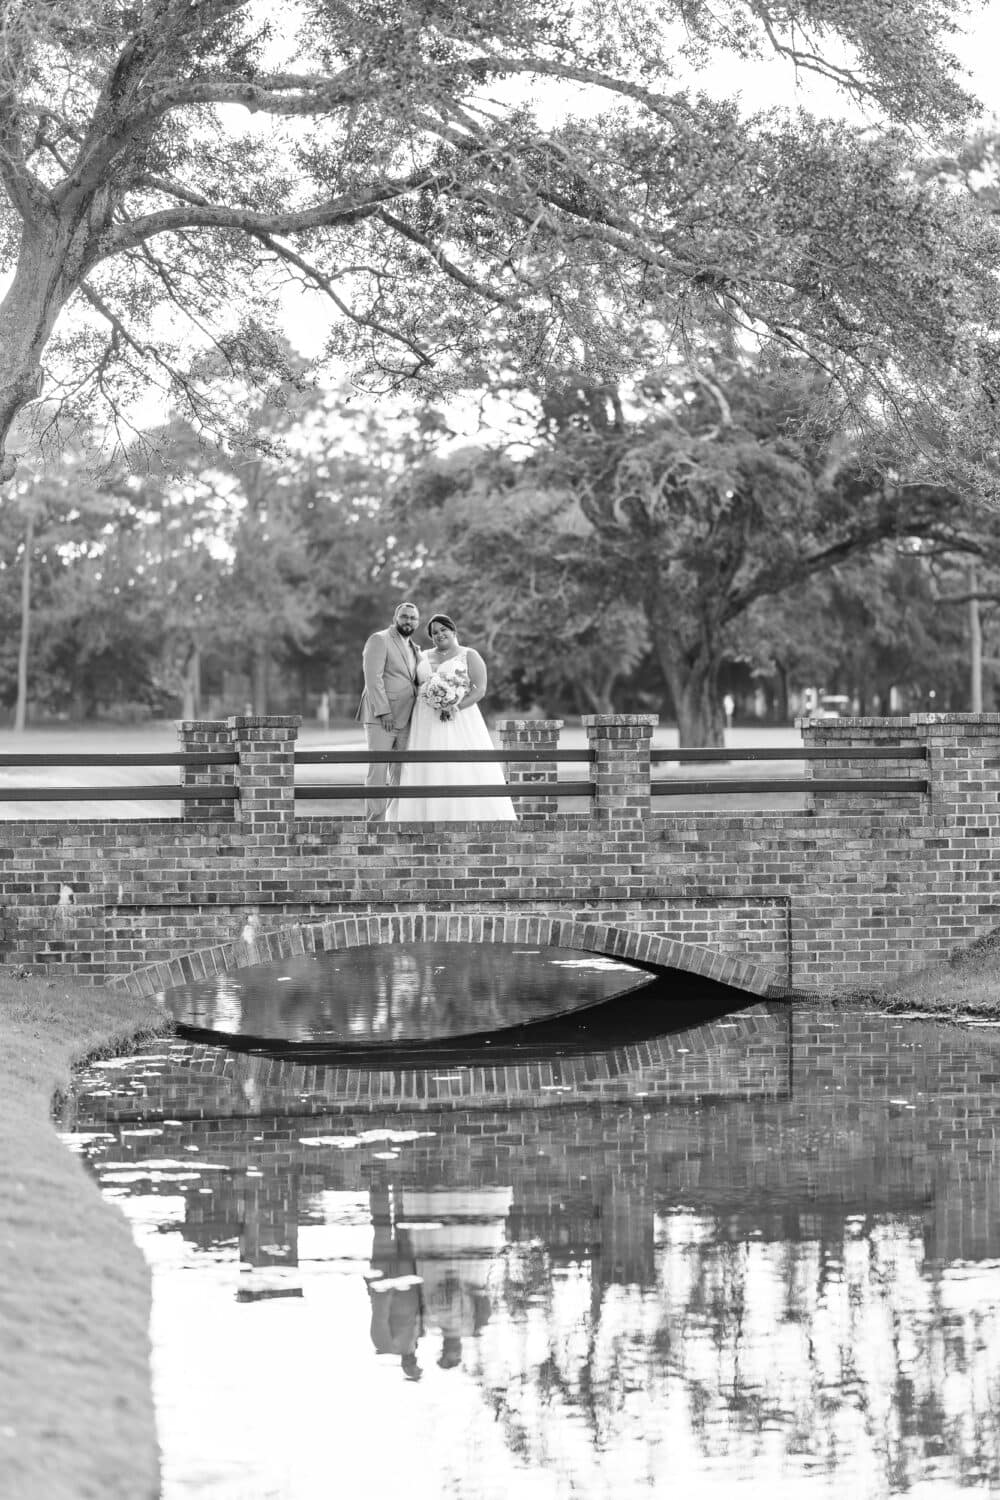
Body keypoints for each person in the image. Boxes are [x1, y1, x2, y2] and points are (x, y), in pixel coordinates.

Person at [384, 613, 517, 822]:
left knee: (458, 764)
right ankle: (420, 818)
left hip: (458, 718)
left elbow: (479, 689)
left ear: (453, 631)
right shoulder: (422, 655)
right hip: (425, 718)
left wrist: (455, 706)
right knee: (424, 764)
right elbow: (412, 683)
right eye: (434, 633)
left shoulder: (469, 654)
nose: (439, 634)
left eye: (443, 630)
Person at [356, 602, 422, 821]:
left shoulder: (415, 648)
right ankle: (374, 825)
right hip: (381, 718)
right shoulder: (379, 639)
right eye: (404, 616)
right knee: (378, 771)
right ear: (396, 617)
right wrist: (383, 712)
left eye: (413, 618)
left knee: (401, 773)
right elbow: (373, 679)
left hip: (407, 717)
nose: (408, 621)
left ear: (417, 622)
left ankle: (393, 820)